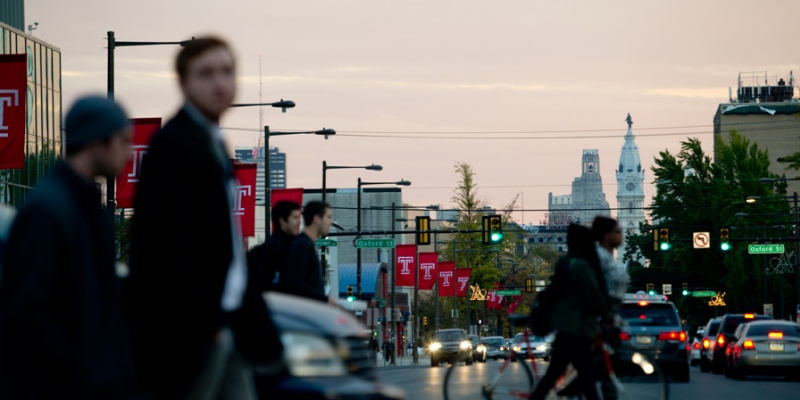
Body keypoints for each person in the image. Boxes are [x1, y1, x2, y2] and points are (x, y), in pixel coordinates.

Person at [126, 37, 283, 400]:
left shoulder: (211, 142)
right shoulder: (173, 145)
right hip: (190, 334)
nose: (219, 83)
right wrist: (201, 323)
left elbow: (225, 247)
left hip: (223, 327)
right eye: (206, 74)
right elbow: (161, 244)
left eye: (227, 71)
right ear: (183, 83)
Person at [0, 96, 136, 399]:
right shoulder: (50, 211)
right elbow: (29, 310)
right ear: (98, 141)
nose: (129, 154)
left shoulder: (75, 206)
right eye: (124, 140)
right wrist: (87, 372)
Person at [529, 224, 608, 400]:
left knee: (580, 378)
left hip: (567, 327)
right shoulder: (582, 267)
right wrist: (605, 311)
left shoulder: (566, 262)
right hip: (575, 329)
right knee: (568, 377)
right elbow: (594, 298)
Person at [592, 216, 629, 400]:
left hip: (609, 319)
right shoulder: (599, 257)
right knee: (601, 369)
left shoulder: (608, 257)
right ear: (606, 235)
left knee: (606, 369)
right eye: (617, 231)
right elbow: (594, 289)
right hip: (598, 320)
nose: (621, 235)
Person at [282, 200, 332, 302]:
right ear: (317, 219)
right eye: (328, 217)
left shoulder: (305, 244)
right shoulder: (301, 245)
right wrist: (324, 299)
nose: (331, 222)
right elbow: (295, 283)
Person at [247, 200, 301, 292]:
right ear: (282, 221)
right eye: (295, 217)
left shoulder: (284, 245)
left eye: (299, 217)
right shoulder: (275, 248)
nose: (299, 222)